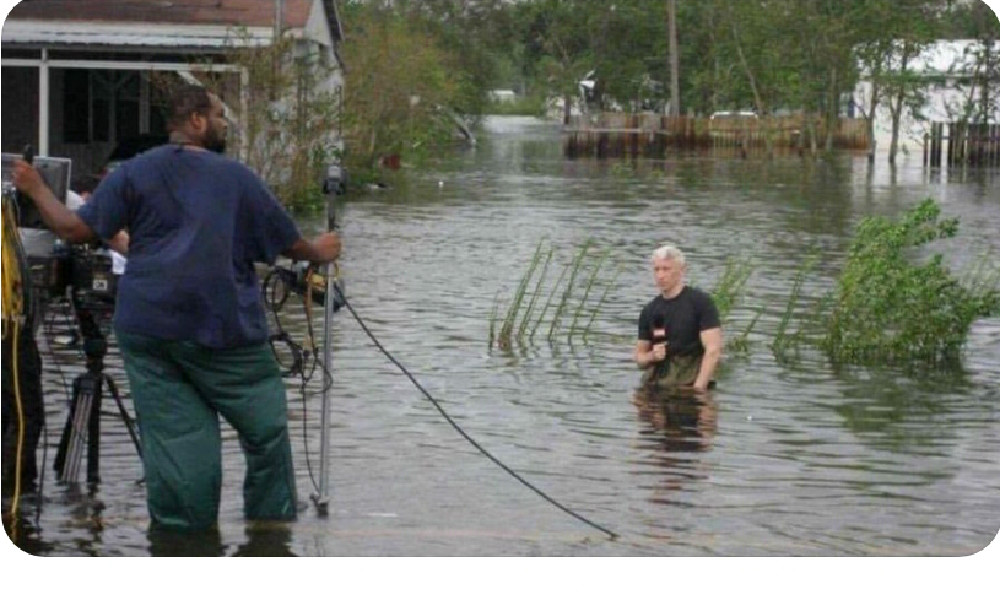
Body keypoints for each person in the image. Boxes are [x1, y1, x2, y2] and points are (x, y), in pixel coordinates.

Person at [13, 84, 342, 531]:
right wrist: (323, 249)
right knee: (265, 429)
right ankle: (269, 533)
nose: (226, 124)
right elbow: (292, 245)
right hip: (224, 335)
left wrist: (34, 188)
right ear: (197, 121)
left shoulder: (131, 173)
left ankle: (182, 542)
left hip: (150, 334)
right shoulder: (236, 178)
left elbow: (73, 228)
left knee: (180, 446)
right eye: (221, 116)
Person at [634, 244, 722, 391]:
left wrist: (699, 389)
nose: (660, 275)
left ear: (681, 270)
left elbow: (713, 350)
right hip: (657, 383)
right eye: (657, 269)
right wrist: (652, 356)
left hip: (690, 383)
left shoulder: (700, 302)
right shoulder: (650, 310)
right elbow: (639, 358)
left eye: (666, 269)